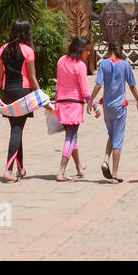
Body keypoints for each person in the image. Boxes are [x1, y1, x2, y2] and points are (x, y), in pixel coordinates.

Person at [88, 36, 138, 183]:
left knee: (112, 134)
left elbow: (98, 84)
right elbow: (132, 85)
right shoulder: (125, 65)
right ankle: (115, 174)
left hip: (107, 106)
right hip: (120, 106)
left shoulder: (103, 64)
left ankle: (105, 160)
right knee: (118, 139)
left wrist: (90, 101)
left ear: (109, 50)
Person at [0, 19, 39, 182]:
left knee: (16, 128)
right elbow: (32, 78)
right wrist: (41, 96)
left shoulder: (2, 49)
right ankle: (8, 169)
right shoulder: (27, 50)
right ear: (26, 33)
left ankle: (20, 168)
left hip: (6, 93)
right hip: (22, 93)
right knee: (17, 129)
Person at [54, 35, 93, 182]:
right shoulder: (80, 66)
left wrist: (56, 102)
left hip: (61, 103)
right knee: (70, 137)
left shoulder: (61, 61)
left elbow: (58, 85)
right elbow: (85, 92)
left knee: (72, 136)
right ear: (80, 50)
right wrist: (93, 105)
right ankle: (62, 171)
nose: (88, 53)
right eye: (87, 50)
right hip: (74, 104)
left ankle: (79, 167)